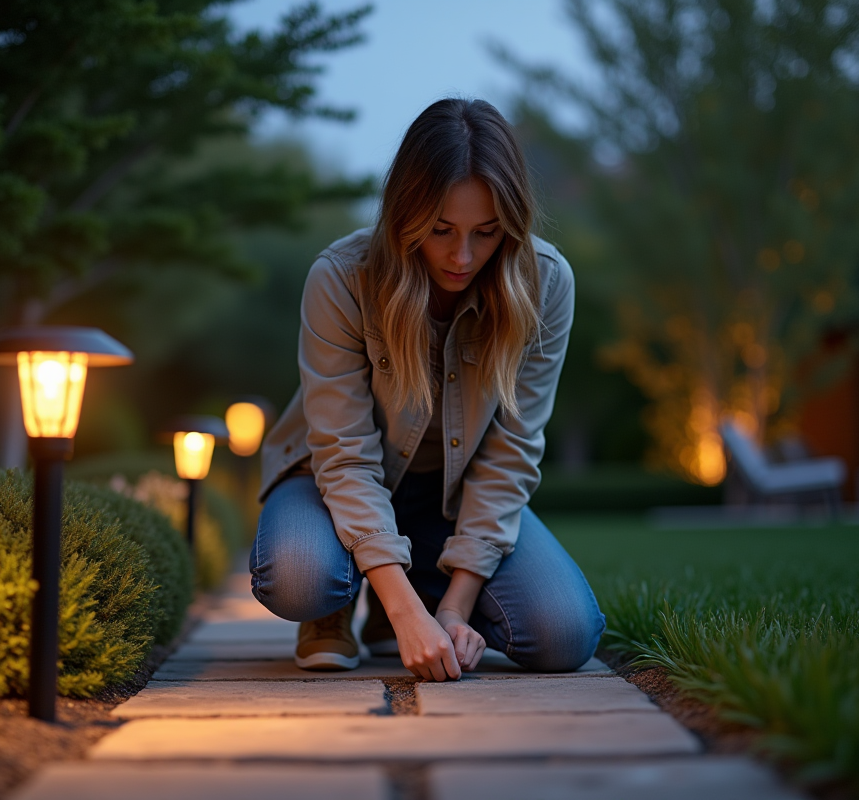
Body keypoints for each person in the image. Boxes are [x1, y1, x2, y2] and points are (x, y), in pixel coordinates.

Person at [251, 98, 605, 682]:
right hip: (327, 480)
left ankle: (407, 596)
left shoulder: (546, 283)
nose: (462, 256)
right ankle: (339, 604)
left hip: (452, 499)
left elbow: (512, 453)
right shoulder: (341, 278)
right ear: (406, 215)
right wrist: (407, 612)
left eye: (485, 233)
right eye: (440, 230)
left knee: (563, 634)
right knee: (300, 578)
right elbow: (344, 455)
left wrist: (453, 610)